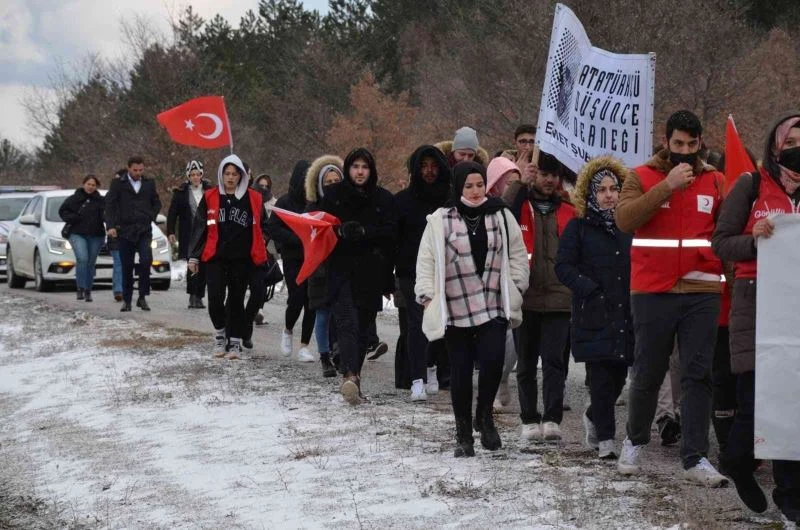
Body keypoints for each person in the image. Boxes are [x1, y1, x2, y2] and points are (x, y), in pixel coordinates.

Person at [615, 110, 728, 486]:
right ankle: (634, 441)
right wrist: (666, 186)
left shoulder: (715, 180)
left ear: (700, 143)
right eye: (678, 143)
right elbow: (625, 219)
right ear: (665, 141)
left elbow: (726, 231)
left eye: (692, 144)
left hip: (702, 289)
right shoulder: (640, 176)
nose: (685, 150)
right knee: (648, 370)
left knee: (698, 374)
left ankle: (695, 457)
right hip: (652, 289)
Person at [712, 113, 800, 521]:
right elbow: (721, 243)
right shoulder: (751, 185)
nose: (797, 148)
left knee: (792, 406)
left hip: (795, 307)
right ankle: (737, 461)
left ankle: (790, 495)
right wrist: (754, 239)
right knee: (753, 400)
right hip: (756, 303)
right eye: (791, 141)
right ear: (775, 146)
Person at [416, 160, 529, 456]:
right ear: (458, 186)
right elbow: (427, 259)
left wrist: (517, 286)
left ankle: (484, 415)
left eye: (480, 185)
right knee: (461, 371)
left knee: (493, 361)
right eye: (469, 186)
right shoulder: (441, 219)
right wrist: (427, 295)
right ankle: (463, 432)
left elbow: (517, 253)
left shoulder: (500, 214)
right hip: (457, 304)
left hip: (493, 301)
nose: (476, 191)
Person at [554, 156, 634, 459]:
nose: (609, 195)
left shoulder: (630, 227)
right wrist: (589, 289)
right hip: (594, 313)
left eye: (614, 189)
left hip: (625, 314)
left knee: (618, 378)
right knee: (600, 380)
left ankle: (593, 416)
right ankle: (606, 440)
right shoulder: (579, 227)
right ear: (590, 193)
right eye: (602, 190)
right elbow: (563, 266)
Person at [503, 152, 575, 442]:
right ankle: (529, 418)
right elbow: (502, 212)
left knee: (555, 362)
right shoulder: (520, 205)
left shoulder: (569, 209)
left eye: (554, 175)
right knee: (526, 363)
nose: (549, 180)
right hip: (526, 297)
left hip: (560, 298)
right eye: (544, 174)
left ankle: (552, 418)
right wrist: (520, 182)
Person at [319, 148, 397, 405]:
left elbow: (390, 236)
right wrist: (340, 231)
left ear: (371, 170)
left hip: (372, 270)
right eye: (355, 166)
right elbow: (320, 229)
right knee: (346, 322)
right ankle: (349, 375)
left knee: (364, 327)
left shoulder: (383, 198)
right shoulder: (333, 195)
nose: (360, 172)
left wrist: (365, 232)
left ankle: (355, 378)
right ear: (348, 169)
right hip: (341, 269)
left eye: (365, 167)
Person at [188, 154, 268, 359]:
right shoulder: (210, 196)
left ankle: (234, 342)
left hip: (242, 259)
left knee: (236, 300)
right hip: (215, 257)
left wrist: (263, 245)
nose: (230, 178)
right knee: (215, 298)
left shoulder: (253, 198)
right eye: (227, 173)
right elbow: (199, 227)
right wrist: (194, 256)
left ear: (241, 176)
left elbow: (264, 226)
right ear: (221, 175)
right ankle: (220, 333)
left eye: (234, 174)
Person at [395, 145, 452, 402]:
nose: (429, 171)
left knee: (441, 322)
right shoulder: (403, 201)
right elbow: (394, 240)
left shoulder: (450, 200)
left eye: (434, 166)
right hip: (410, 272)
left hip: (444, 270)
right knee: (416, 324)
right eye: (424, 166)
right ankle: (416, 379)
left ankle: (432, 368)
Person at [267, 161, 317, 362]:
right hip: (292, 258)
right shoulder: (285, 202)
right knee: (296, 298)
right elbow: (273, 227)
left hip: (313, 257)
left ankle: (304, 346)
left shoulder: (315, 201)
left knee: (311, 301)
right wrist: (294, 239)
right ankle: (288, 330)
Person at [487, 156, 523, 410]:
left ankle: (503, 376)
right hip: (490, 282)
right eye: (508, 182)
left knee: (515, 338)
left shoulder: (526, 202)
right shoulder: (487, 207)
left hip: (515, 279)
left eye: (517, 182)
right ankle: (494, 383)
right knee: (495, 338)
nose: (513, 187)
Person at [304, 154, 344, 377]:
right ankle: (324, 356)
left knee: (342, 313)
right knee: (322, 313)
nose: (332, 185)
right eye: (328, 182)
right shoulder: (312, 209)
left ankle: (340, 349)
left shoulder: (347, 205)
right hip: (319, 267)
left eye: (336, 181)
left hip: (342, 265)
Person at [105, 156, 162, 312]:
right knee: (127, 265)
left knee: (146, 260)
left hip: (144, 229)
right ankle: (127, 299)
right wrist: (110, 226)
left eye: (141, 170)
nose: (138, 173)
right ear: (129, 168)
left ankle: (142, 296)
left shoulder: (149, 183)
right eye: (135, 170)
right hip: (125, 230)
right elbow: (110, 205)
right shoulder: (118, 184)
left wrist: (150, 216)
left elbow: (156, 202)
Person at [167, 160, 213, 309]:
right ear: (188, 176)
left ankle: (199, 296)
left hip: (206, 233)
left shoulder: (209, 191)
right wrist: (171, 231)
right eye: (192, 175)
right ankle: (192, 296)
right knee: (192, 264)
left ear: (201, 175)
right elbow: (172, 213)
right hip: (189, 234)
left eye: (197, 174)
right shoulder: (181, 193)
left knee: (204, 265)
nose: (195, 177)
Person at [59, 175, 105, 302]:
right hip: (77, 233)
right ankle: (80, 287)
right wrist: (74, 218)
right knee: (82, 259)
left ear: (96, 187)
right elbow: (63, 212)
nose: (90, 187)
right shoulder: (74, 199)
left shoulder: (100, 200)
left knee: (91, 262)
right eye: (88, 184)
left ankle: (88, 290)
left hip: (96, 235)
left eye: (93, 185)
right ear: (83, 184)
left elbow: (107, 215)